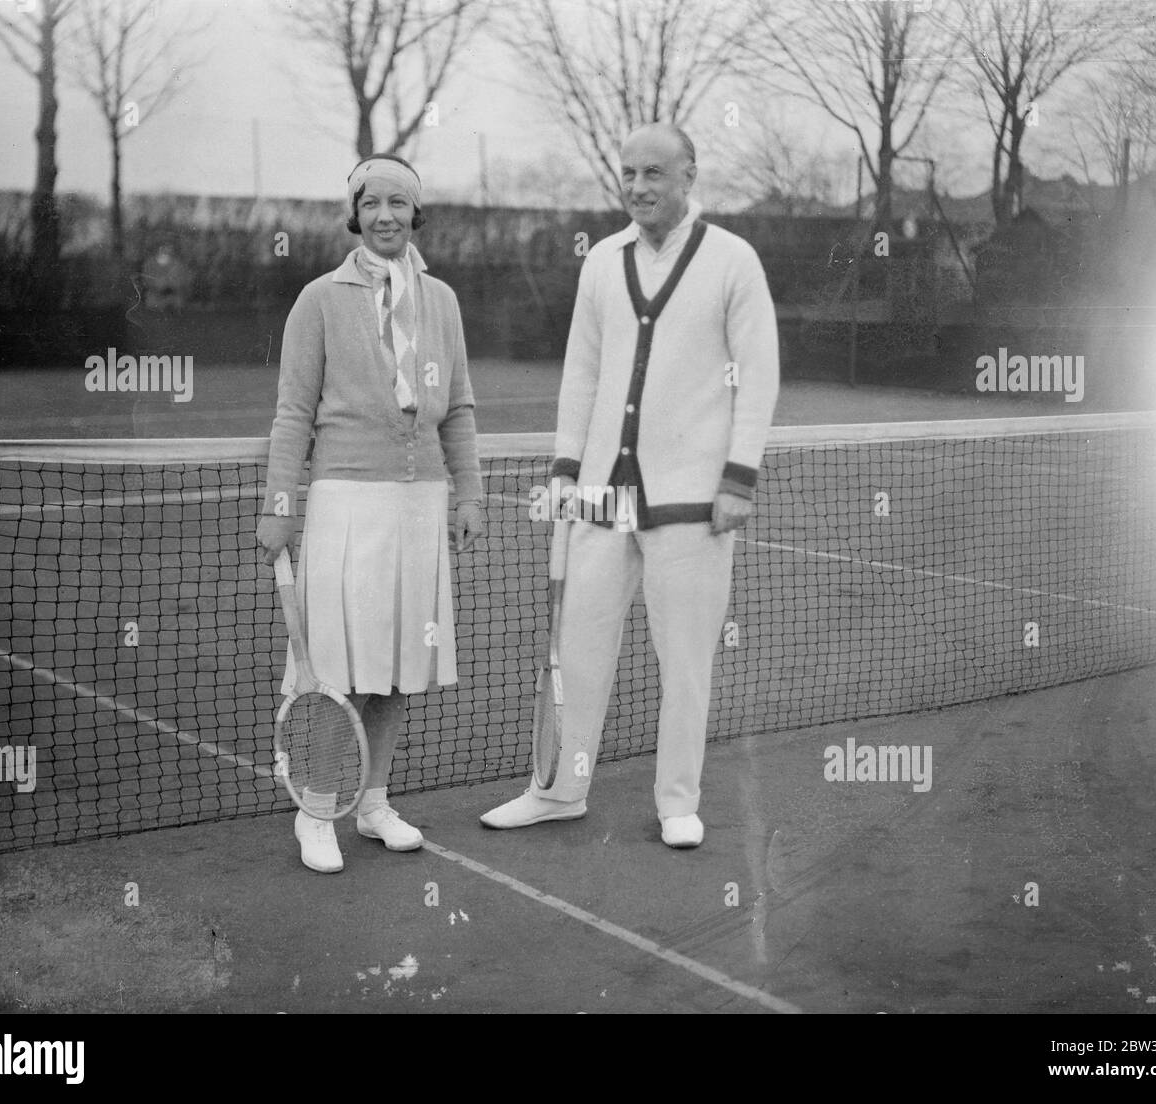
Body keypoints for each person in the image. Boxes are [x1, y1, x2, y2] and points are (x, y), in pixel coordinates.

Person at [482, 123, 779, 848]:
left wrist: (738, 478)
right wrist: (563, 467)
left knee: (685, 663)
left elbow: (759, 375)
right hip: (597, 499)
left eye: (654, 172)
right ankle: (557, 790)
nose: (639, 186)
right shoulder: (602, 262)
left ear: (688, 176)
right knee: (575, 650)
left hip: (694, 502)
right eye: (629, 174)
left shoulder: (733, 260)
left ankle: (678, 801)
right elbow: (582, 371)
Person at [258, 153, 484, 873]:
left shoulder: (441, 301)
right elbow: (294, 412)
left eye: (398, 203)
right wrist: (279, 506)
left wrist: (469, 492)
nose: (385, 214)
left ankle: (374, 800)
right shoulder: (319, 300)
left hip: (421, 507)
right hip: (345, 505)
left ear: (416, 215)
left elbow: (462, 408)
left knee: (396, 665)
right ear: (353, 215)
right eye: (370, 203)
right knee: (338, 668)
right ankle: (317, 807)